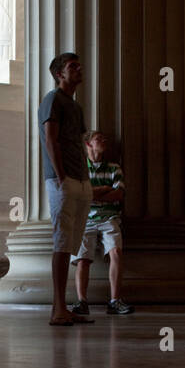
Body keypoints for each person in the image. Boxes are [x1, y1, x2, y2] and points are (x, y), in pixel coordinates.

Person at [39, 52, 93, 327]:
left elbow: (79, 142)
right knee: (61, 243)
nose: (79, 69)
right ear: (59, 74)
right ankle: (58, 308)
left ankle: (62, 306)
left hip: (80, 179)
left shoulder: (75, 105)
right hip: (63, 180)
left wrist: (86, 178)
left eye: (79, 65)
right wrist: (61, 176)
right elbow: (51, 140)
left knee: (71, 244)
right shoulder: (53, 99)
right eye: (73, 66)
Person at [71, 131, 133, 316]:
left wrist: (91, 193)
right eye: (99, 138)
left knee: (116, 253)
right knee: (83, 259)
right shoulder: (80, 169)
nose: (104, 140)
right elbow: (78, 196)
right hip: (85, 218)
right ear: (88, 144)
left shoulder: (114, 168)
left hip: (110, 218)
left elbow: (119, 195)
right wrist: (104, 189)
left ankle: (115, 301)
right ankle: (82, 301)